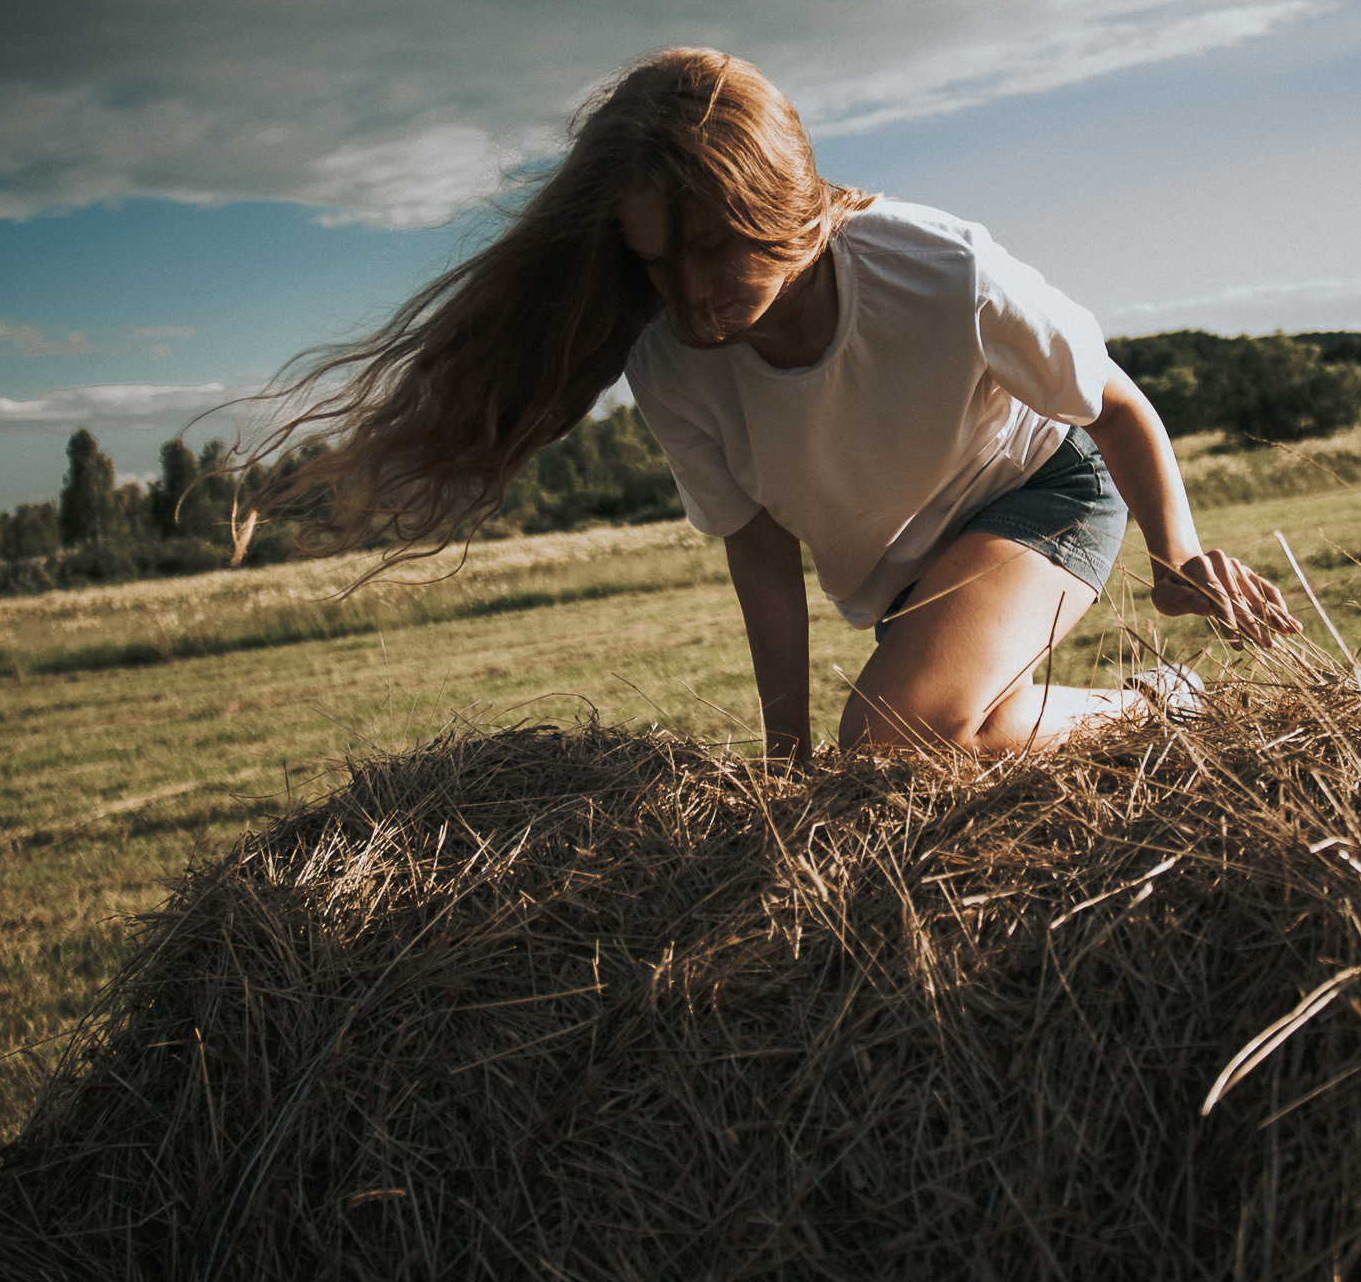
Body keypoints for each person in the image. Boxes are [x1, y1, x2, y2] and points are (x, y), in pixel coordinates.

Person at [258, 47, 1300, 765]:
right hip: (908, 571)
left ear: (781, 202)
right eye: (659, 261)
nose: (693, 290)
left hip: (1040, 495)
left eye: (715, 246)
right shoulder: (669, 362)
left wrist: (1176, 561)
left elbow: (1115, 404)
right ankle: (1164, 714)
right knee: (929, 748)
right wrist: (784, 754)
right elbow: (755, 543)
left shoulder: (943, 271)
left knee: (894, 741)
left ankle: (1165, 704)